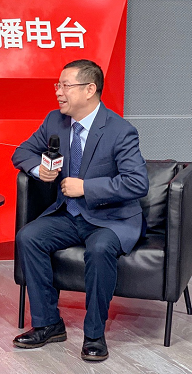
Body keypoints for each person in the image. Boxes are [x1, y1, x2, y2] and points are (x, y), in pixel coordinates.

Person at [11, 59, 149, 362]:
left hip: (111, 219)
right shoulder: (55, 120)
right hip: (70, 214)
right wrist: (39, 169)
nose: (58, 92)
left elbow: (137, 183)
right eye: (57, 85)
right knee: (29, 236)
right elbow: (22, 152)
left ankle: (95, 334)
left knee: (99, 249)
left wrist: (87, 187)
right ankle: (48, 323)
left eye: (65, 86)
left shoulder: (120, 130)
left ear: (90, 89)